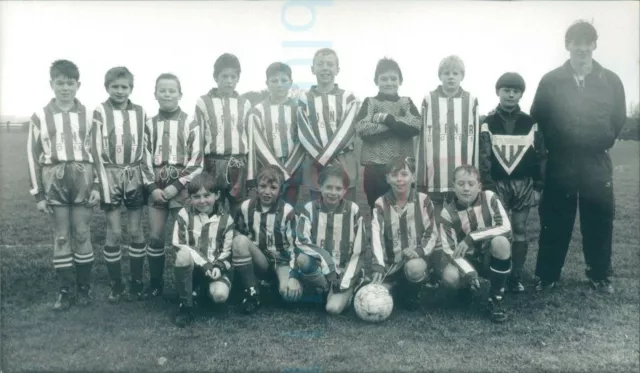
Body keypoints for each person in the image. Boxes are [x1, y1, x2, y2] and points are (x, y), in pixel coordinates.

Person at [531, 20, 626, 294]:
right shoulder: (551, 80)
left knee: (599, 217)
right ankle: (547, 275)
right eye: (576, 42)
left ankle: (599, 275)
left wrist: (602, 136)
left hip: (596, 160)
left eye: (587, 42)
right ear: (567, 45)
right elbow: (540, 114)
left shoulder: (610, 80)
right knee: (555, 218)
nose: (582, 48)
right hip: (561, 160)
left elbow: (618, 118)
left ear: (594, 45)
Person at [27, 59, 101, 310]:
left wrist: (97, 186)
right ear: (52, 84)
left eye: (70, 83)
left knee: (81, 233)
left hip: (83, 176)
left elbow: (99, 153)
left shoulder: (91, 114)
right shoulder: (40, 115)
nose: (65, 88)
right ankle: (65, 291)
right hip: (53, 178)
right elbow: (32, 155)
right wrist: (38, 194)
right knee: (61, 236)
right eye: (60, 83)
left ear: (78, 85)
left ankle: (84, 289)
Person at [413, 55, 480, 285]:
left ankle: (457, 268)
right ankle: (434, 270)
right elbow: (422, 140)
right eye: (446, 73)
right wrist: (421, 176)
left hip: (461, 180)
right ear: (439, 75)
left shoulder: (471, 100)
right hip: (434, 176)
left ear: (462, 76)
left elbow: (476, 142)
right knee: (434, 225)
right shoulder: (428, 99)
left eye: (455, 73)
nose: (451, 77)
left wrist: (474, 177)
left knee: (458, 223)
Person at [92, 66, 154, 303]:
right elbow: (96, 150)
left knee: (136, 230)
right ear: (107, 87)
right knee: (115, 231)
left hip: (134, 174)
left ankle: (136, 282)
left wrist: (147, 177)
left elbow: (146, 147)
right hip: (110, 175)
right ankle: (116, 284)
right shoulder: (100, 111)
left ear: (131, 88)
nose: (119, 91)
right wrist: (98, 182)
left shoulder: (140, 112)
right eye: (115, 86)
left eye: (124, 87)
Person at [479, 72, 545, 293]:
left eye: (515, 91)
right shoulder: (487, 122)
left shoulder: (530, 122)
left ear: (520, 95)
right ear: (498, 92)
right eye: (506, 90)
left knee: (518, 228)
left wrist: (538, 186)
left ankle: (516, 275)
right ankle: (498, 273)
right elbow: (484, 157)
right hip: (497, 183)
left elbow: (540, 156)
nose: (510, 94)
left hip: (522, 184)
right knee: (498, 230)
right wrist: (487, 186)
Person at [143, 73, 203, 299]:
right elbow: (143, 158)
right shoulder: (148, 124)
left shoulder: (191, 122)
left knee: (186, 237)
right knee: (156, 237)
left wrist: (177, 185)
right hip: (157, 186)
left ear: (180, 94)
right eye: (162, 90)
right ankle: (156, 283)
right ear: (155, 94)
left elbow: (197, 160)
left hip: (182, 186)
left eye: (172, 90)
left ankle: (192, 284)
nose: (167, 94)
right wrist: (152, 188)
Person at [289, 165, 367, 315]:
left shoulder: (353, 210)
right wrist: (328, 264)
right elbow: (301, 241)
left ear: (345, 190)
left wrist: (344, 281)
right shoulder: (310, 208)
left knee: (333, 309)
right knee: (303, 259)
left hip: (345, 272)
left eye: (338, 189)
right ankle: (325, 288)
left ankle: (346, 290)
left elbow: (360, 251)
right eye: (329, 187)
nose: (333, 193)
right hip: (322, 269)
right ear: (320, 187)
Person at [440, 165, 512, 323]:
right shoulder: (447, 213)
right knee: (449, 276)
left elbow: (505, 227)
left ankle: (496, 299)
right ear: (453, 186)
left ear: (479, 186)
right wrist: (469, 273)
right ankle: (465, 289)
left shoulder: (489, 197)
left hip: (489, 256)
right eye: (461, 184)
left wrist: (472, 237)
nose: (466, 189)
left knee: (501, 242)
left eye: (471, 184)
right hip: (467, 260)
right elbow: (449, 250)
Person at [370, 157, 438, 311]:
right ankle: (397, 285)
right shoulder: (380, 203)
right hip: (391, 265)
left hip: (416, 260)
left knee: (415, 268)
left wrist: (418, 251)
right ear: (387, 178)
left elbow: (432, 232)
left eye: (404, 174)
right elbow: (376, 236)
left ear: (413, 177)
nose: (399, 179)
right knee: (374, 295)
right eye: (394, 175)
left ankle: (412, 294)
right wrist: (379, 265)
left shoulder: (423, 200)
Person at [356, 58, 421, 210]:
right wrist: (396, 125)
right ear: (376, 81)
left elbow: (416, 125)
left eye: (393, 78)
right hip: (375, 167)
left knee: (403, 208)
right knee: (377, 208)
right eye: (384, 79)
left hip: (402, 166)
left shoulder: (406, 102)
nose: (389, 82)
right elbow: (363, 128)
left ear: (400, 81)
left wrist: (387, 119)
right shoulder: (370, 102)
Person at [231, 165, 297, 314]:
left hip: (281, 261)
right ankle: (252, 293)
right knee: (239, 241)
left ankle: (274, 284)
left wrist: (293, 275)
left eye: (273, 188)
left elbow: (295, 246)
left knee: (287, 296)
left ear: (281, 190)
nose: (267, 192)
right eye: (263, 186)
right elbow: (235, 231)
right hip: (260, 260)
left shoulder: (287, 211)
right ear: (256, 187)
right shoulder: (246, 207)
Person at [171, 172, 234, 327]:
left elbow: (228, 251)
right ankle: (186, 305)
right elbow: (178, 244)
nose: (202, 201)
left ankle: (203, 291)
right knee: (183, 255)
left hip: (215, 269)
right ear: (190, 198)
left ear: (217, 195)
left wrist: (218, 267)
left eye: (207, 195)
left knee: (219, 296)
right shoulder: (184, 214)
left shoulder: (226, 219)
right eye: (196, 197)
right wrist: (204, 264)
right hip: (193, 269)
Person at [297, 48, 360, 202]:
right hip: (315, 161)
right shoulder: (304, 98)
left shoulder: (348, 97)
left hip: (343, 159)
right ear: (313, 69)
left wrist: (326, 157)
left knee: (346, 203)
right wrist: (321, 159)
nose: (325, 68)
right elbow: (304, 133)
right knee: (317, 205)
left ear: (337, 69)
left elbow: (348, 130)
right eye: (320, 64)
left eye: (330, 64)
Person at [194, 53, 252, 217]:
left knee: (239, 206)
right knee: (212, 205)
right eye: (224, 76)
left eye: (233, 76)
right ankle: (213, 239)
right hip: (213, 162)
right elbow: (198, 138)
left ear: (238, 78)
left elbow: (249, 136)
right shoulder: (203, 102)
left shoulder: (245, 103)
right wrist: (199, 169)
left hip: (238, 162)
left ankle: (237, 238)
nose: (229, 81)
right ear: (215, 77)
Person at [247, 62, 306, 207]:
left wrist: (288, 170)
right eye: (274, 81)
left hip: (293, 168)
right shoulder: (258, 111)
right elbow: (258, 143)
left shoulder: (299, 109)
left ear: (290, 83)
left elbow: (302, 140)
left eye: (284, 80)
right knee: (268, 208)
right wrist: (277, 171)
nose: (279, 85)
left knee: (288, 208)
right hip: (267, 168)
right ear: (267, 83)